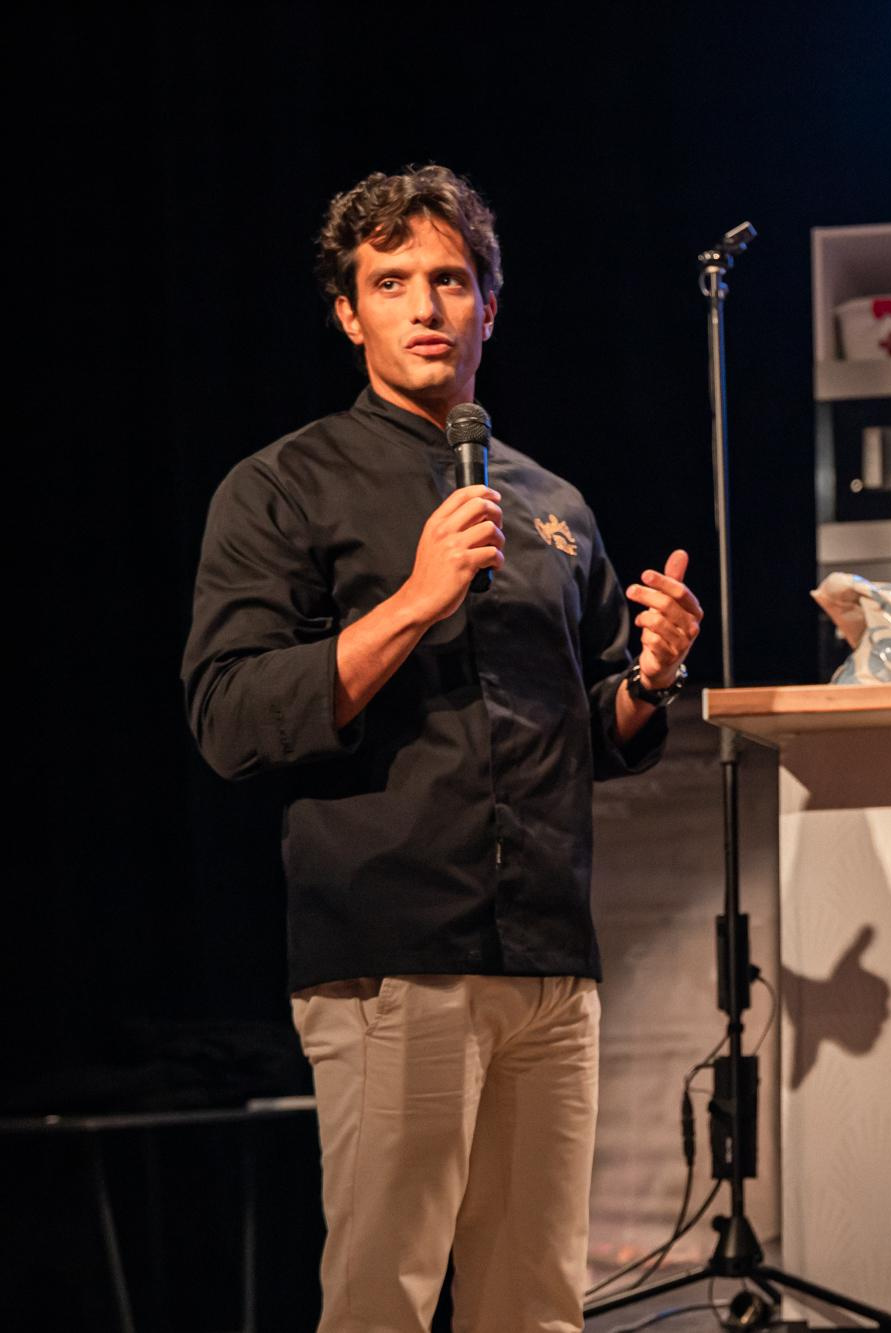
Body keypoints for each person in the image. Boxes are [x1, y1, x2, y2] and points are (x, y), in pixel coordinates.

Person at [182, 165, 702, 1332]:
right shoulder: (281, 488)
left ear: (491, 307)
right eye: (392, 281)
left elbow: (596, 732)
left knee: (536, 1305)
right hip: (393, 957)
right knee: (385, 1301)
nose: (425, 305)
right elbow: (229, 716)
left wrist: (650, 679)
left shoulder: (550, 502)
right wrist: (413, 600)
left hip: (551, 965)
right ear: (347, 311)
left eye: (451, 280)